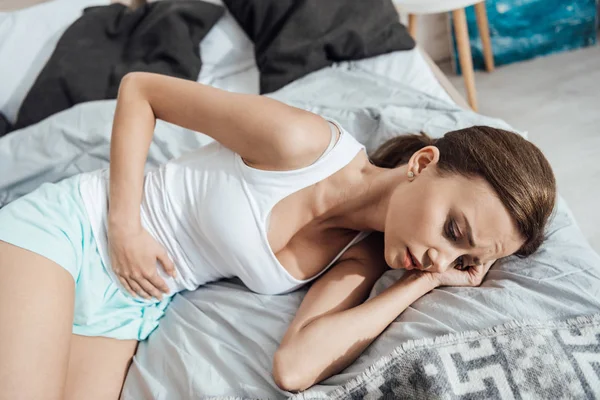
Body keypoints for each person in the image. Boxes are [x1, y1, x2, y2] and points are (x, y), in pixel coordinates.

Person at [0, 72, 556, 399]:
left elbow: (293, 367)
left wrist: (421, 285)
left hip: (131, 302)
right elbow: (141, 90)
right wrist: (124, 225)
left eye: (465, 259)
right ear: (423, 162)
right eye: (454, 229)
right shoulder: (302, 144)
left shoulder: (360, 257)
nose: (442, 255)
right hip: (74, 230)